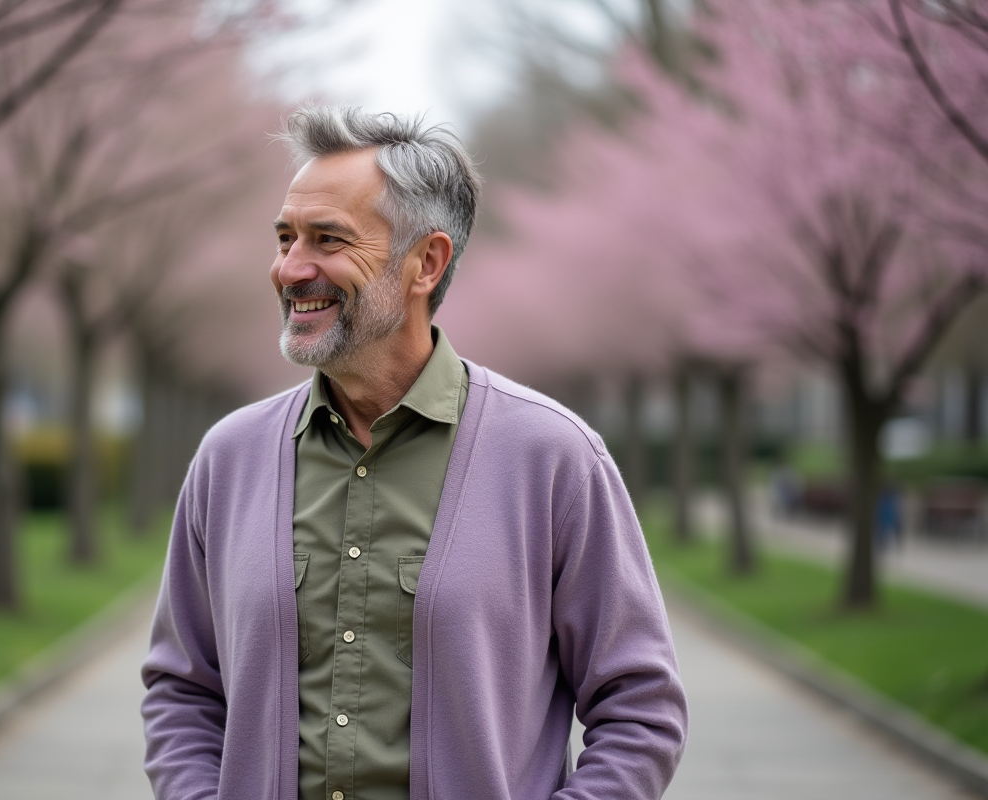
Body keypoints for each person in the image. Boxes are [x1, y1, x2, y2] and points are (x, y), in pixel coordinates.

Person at [141, 106, 688, 800]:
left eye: (327, 239)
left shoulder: (554, 458)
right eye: (285, 238)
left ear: (425, 263)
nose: (290, 268)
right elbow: (182, 689)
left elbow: (640, 706)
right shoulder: (229, 459)